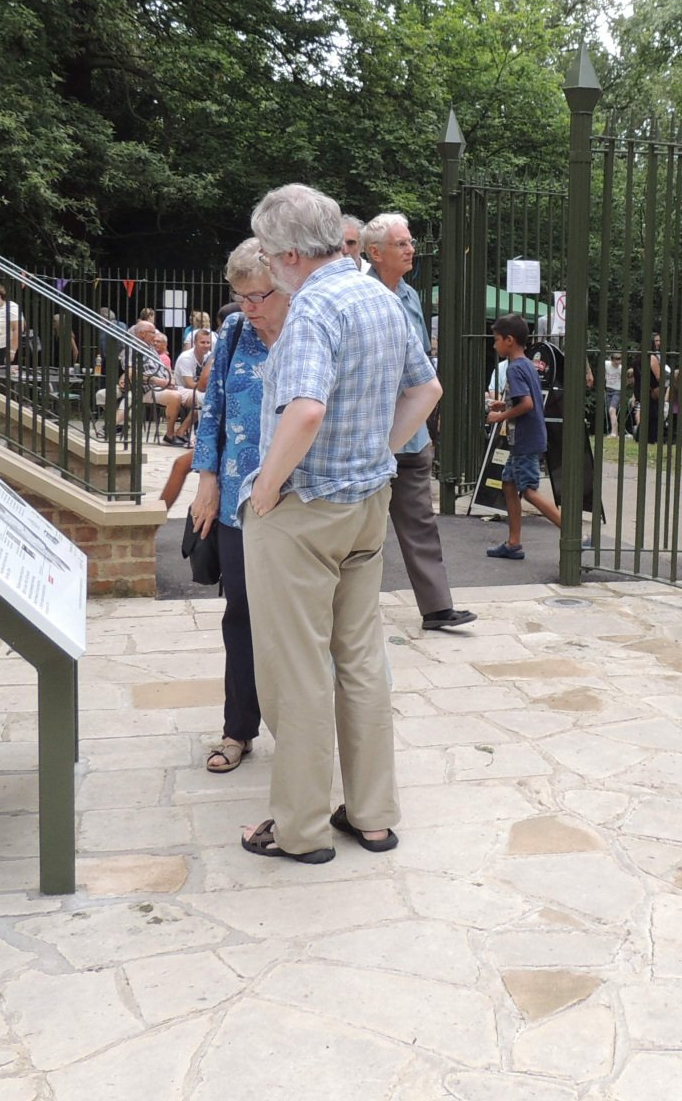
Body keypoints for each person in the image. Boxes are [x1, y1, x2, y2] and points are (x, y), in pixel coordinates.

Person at [238, 184, 441, 864]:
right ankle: (372, 814)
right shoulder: (379, 298)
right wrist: (379, 450)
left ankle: (300, 829)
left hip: (304, 512)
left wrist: (266, 487)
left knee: (296, 669)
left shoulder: (312, 309)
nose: (269, 269)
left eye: (270, 256)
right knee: (360, 660)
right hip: (365, 505)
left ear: (291, 254)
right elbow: (427, 387)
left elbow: (304, 410)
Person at [188, 240, 289, 774]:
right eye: (240, 295)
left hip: (296, 500)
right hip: (235, 498)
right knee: (242, 613)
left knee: (297, 622)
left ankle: (301, 733)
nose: (248, 306)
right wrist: (206, 480)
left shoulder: (309, 329)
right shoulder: (233, 331)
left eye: (258, 296)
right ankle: (238, 729)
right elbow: (214, 410)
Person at [363, 213, 474, 632]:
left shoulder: (409, 295)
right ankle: (350, 610)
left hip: (411, 434)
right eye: (402, 244)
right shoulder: (360, 294)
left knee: (421, 522)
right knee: (359, 530)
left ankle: (437, 607)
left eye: (410, 242)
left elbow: (422, 358)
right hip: (369, 432)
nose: (411, 250)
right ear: (376, 253)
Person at [485, 314, 561, 560]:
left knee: (528, 490)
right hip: (528, 437)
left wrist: (501, 415)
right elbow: (527, 398)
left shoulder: (514, 368)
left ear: (509, 340)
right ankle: (513, 543)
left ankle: (575, 534)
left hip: (524, 439)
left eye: (496, 340)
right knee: (509, 483)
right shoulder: (527, 364)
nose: (494, 345)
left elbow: (527, 404)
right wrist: (505, 403)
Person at [162, 327, 213, 446]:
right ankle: (194, 435)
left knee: (209, 398)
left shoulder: (208, 356)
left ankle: (182, 431)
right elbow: (189, 383)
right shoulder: (186, 357)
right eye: (202, 342)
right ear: (195, 343)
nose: (206, 345)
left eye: (208, 342)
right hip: (180, 388)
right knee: (205, 399)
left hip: (197, 389)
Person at [604, 351, 623, 436]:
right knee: (611, 411)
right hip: (608, 389)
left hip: (617, 390)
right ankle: (615, 431)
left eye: (619, 361)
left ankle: (614, 433)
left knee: (612, 410)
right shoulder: (606, 364)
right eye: (616, 362)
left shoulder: (621, 368)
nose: (617, 364)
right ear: (611, 360)